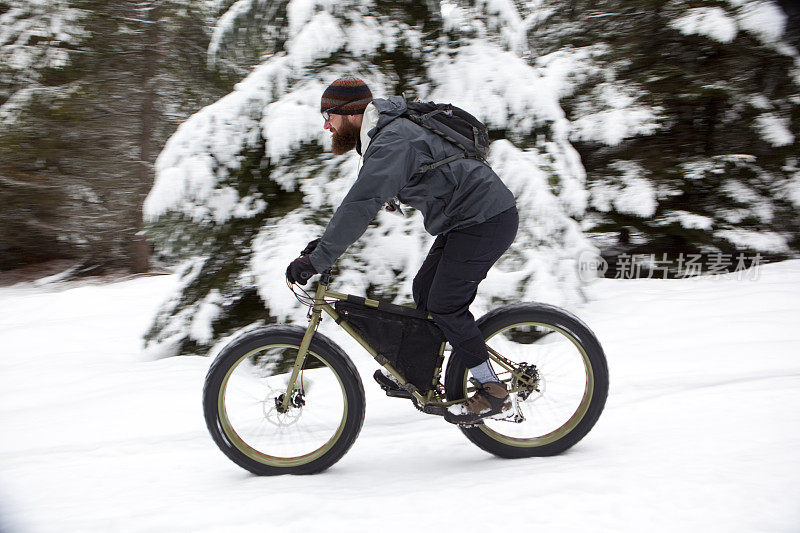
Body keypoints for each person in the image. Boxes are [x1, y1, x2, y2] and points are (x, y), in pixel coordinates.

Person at [285, 75, 519, 425]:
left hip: (486, 219)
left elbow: (361, 204)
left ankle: (492, 390)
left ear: (350, 113)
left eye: (329, 116)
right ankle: (421, 373)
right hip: (466, 221)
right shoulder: (383, 137)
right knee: (425, 293)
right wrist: (323, 245)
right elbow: (363, 199)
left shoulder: (392, 140)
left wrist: (319, 259)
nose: (326, 126)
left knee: (445, 304)